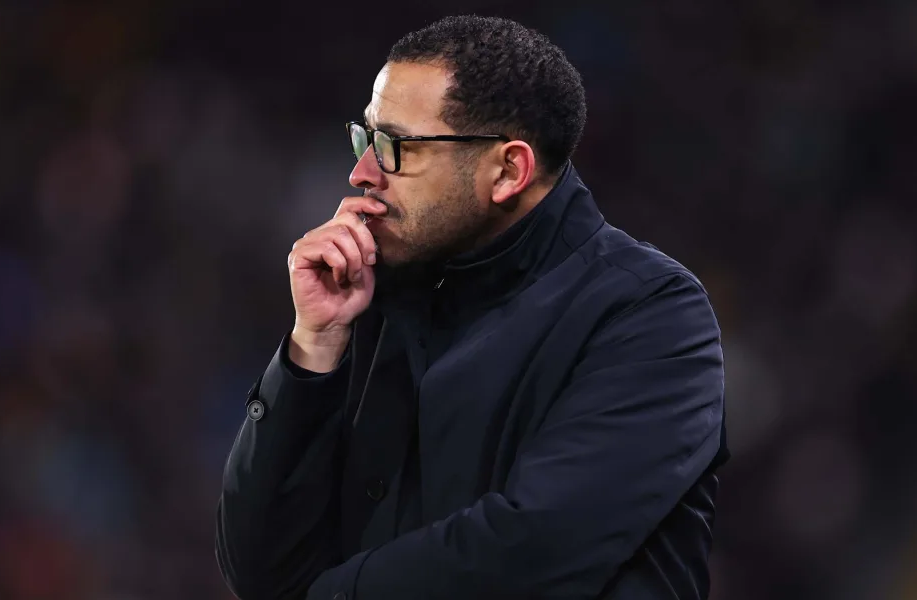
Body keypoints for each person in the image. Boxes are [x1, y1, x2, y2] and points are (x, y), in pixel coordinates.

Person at [215, 15, 729, 600]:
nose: (361, 173)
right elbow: (260, 572)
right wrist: (313, 346)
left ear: (508, 171)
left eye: (396, 148)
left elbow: (535, 551)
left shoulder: (651, 314)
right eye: (365, 138)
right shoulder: (366, 296)